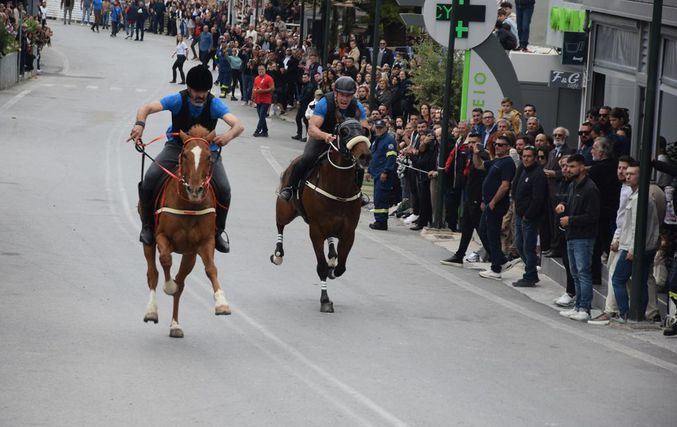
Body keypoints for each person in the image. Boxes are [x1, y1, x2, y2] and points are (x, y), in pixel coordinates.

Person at [129, 65, 244, 253]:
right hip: (177, 148)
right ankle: (148, 227)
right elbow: (146, 108)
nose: (201, 96)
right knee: (150, 179)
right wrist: (140, 124)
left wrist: (228, 136)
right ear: (189, 89)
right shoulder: (178, 100)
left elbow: (238, 125)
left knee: (224, 189)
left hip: (207, 152)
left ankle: (218, 233)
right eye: (197, 91)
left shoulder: (214, 104)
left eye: (204, 92)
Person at [278, 76, 368, 201]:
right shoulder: (325, 103)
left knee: (359, 163)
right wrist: (325, 136)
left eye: (348, 95)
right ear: (336, 93)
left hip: (345, 140)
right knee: (307, 157)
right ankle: (290, 188)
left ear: (353, 95)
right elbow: (312, 129)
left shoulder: (357, 106)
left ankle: (358, 193)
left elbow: (364, 128)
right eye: (342, 95)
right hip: (322, 136)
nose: (345, 99)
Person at [609, 162, 660, 323]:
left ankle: (625, 313)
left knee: (618, 279)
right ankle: (638, 314)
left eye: (632, 174)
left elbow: (636, 227)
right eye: (627, 173)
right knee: (641, 282)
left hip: (633, 247)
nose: (627, 176)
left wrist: (631, 248)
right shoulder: (637, 196)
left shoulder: (640, 198)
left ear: (641, 176)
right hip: (640, 246)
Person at [556, 154, 600, 321]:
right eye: (567, 166)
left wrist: (570, 220)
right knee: (575, 273)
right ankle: (578, 306)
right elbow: (569, 203)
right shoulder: (573, 185)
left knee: (583, 272)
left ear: (582, 167)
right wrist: (563, 205)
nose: (568, 169)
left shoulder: (590, 188)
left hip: (584, 237)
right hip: (572, 235)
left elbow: (592, 216)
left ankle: (585, 308)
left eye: (572, 166)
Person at [440, 133, 490, 266]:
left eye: (474, 142)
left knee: (481, 229)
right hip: (469, 194)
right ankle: (459, 255)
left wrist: (483, 199)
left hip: (477, 197)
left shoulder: (483, 156)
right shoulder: (467, 154)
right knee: (467, 227)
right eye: (470, 142)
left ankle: (498, 257)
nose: (471, 145)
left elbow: (485, 179)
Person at [474, 134, 517, 280]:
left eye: (500, 145)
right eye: (496, 144)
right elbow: (479, 165)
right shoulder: (497, 161)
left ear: (508, 147)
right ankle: (500, 260)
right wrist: (476, 153)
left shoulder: (508, 163)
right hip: (489, 203)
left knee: (491, 234)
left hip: (496, 205)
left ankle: (496, 268)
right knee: (483, 231)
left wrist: (493, 202)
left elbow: (505, 186)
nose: (497, 147)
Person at [512, 145, 547, 286]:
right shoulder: (523, 170)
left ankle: (530, 275)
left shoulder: (538, 174)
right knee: (519, 244)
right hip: (520, 214)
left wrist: (528, 214)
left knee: (528, 247)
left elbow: (538, 198)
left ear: (535, 158)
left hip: (529, 217)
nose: (526, 159)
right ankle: (531, 270)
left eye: (529, 156)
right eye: (524, 156)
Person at [368, 119, 398, 230]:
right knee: (378, 198)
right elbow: (374, 156)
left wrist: (386, 171)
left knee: (381, 199)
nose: (379, 130)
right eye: (377, 128)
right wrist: (369, 171)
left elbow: (391, 158)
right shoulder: (377, 140)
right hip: (377, 173)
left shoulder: (389, 140)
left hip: (384, 174)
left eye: (381, 128)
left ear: (385, 128)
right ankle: (379, 220)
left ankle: (381, 222)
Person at [252, 64, 275, 138]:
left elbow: (272, 88)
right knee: (261, 116)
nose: (260, 71)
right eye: (259, 69)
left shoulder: (269, 78)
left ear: (265, 70)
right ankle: (265, 131)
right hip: (258, 99)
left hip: (266, 100)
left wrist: (263, 91)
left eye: (262, 69)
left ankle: (257, 130)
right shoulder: (256, 78)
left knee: (262, 115)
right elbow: (254, 87)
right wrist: (253, 96)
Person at [292, 72, 315, 141]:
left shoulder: (310, 86)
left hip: (307, 105)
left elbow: (307, 96)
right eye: (303, 77)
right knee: (298, 118)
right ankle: (299, 134)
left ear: (309, 78)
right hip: (302, 105)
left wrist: (300, 100)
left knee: (306, 121)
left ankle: (307, 136)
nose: (304, 79)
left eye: (305, 77)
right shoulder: (304, 85)